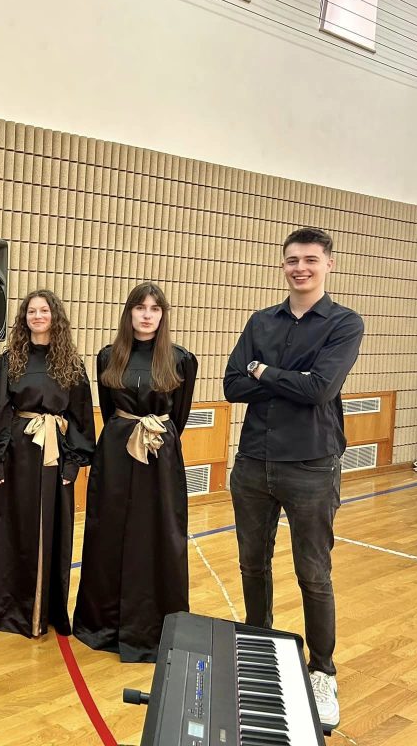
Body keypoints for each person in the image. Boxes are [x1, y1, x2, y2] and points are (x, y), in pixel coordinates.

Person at [223, 227, 364, 728]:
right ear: (283, 265)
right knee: (252, 564)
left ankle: (322, 670)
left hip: (311, 465)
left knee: (313, 573)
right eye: (292, 260)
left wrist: (263, 372)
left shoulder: (345, 323)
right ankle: (258, 646)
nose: (300, 268)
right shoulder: (261, 321)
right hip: (253, 463)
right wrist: (287, 379)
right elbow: (232, 384)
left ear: (328, 264)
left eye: (310, 259)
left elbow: (320, 390)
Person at [72, 282, 197, 662]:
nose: (147, 315)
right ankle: (104, 624)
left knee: (158, 534)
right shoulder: (108, 356)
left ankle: (153, 627)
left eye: (154, 309)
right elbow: (109, 408)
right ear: (129, 313)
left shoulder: (181, 359)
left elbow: (179, 417)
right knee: (109, 532)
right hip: (115, 453)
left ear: (163, 315)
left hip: (160, 455)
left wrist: (155, 436)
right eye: (140, 308)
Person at [0, 289, 95, 638]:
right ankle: (13, 610)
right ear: (24, 318)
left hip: (55, 452)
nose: (37, 316)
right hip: (18, 451)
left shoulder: (71, 364)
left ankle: (47, 610)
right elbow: (0, 411)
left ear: (54, 316)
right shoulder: (9, 361)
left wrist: (72, 464)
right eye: (31, 311)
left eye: (43, 311)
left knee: (52, 529)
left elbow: (80, 416)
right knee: (16, 527)